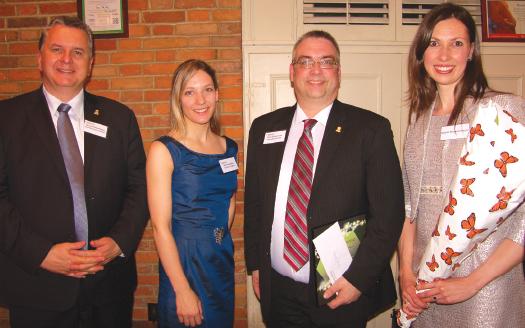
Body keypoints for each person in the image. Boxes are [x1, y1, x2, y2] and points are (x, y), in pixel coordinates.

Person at [244, 30, 405, 327]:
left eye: (326, 61)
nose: (316, 70)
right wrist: (255, 265)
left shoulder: (371, 130)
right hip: (277, 289)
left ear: (339, 72)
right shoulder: (264, 128)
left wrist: (358, 280)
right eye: (305, 61)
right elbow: (254, 204)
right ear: (292, 73)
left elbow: (389, 216)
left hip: (340, 290)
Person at [0, 16, 148, 327]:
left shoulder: (119, 119)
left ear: (91, 63)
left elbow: (139, 188)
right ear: (40, 57)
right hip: (37, 285)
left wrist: (120, 241)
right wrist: (41, 253)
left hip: (108, 286)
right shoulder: (7, 119)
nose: (67, 60)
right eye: (57, 49)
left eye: (78, 52)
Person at [398, 3, 525, 327]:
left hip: (486, 290)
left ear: (471, 51)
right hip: (426, 287)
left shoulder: (503, 111)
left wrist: (472, 282)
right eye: (434, 43)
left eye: (456, 43)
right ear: (422, 52)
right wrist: (406, 274)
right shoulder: (417, 126)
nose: (443, 55)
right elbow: (409, 208)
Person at [147, 59, 237, 327]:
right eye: (189, 92)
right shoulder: (164, 150)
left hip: (219, 260)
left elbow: (229, 201)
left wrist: (218, 238)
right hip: (184, 261)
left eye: (207, 90)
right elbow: (160, 228)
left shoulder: (229, 148)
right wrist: (182, 290)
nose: (200, 100)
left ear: (217, 94)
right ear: (179, 99)